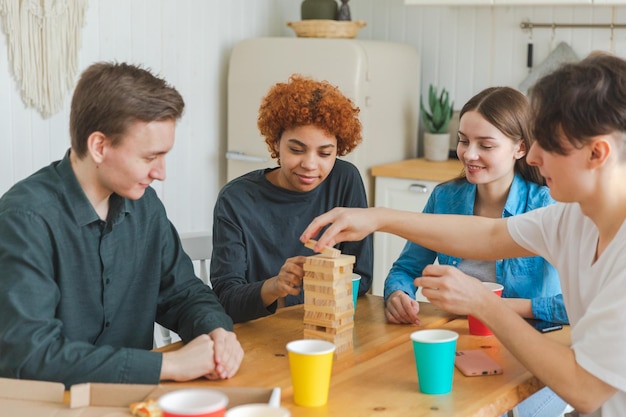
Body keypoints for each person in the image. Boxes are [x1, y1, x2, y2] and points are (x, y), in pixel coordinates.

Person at [301, 52, 626, 416]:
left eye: (547, 143)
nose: (532, 157)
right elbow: (488, 237)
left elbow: (585, 389)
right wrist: (377, 217)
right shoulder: (573, 219)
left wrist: (483, 303)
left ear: (598, 153)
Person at [0, 62, 243, 388]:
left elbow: (183, 294)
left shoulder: (146, 206)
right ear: (99, 147)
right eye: (149, 157)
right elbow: (31, 355)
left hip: (137, 403)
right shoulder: (25, 219)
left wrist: (218, 332)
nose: (161, 173)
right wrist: (166, 365)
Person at [384, 86, 568, 417]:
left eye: (485, 145)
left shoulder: (545, 206)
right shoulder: (445, 199)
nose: (469, 154)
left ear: (519, 148)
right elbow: (405, 270)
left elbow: (575, 307)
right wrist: (398, 294)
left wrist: (492, 305)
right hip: (461, 349)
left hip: (533, 357)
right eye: (463, 140)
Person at [211, 74, 373, 323]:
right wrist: (276, 286)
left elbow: (360, 277)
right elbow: (226, 300)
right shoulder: (236, 199)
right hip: (256, 335)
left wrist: (299, 295)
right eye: (296, 150)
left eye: (325, 153)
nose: (309, 164)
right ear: (276, 144)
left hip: (324, 326)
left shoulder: (345, 179)